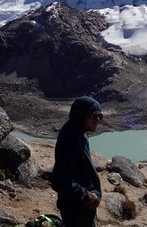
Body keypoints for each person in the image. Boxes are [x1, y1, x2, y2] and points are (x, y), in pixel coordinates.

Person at [51, 97, 104, 227]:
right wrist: (86, 196)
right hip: (77, 207)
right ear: (81, 115)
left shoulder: (79, 132)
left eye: (100, 116)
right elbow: (60, 179)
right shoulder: (71, 139)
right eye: (94, 116)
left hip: (80, 204)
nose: (97, 120)